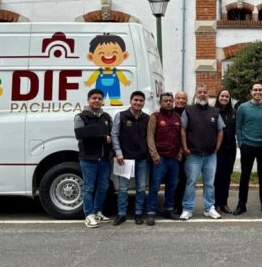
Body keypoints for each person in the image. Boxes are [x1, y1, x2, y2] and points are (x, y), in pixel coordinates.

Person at [179, 84, 224, 220]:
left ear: (208, 94)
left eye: (205, 92)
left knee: (209, 183)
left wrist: (217, 148)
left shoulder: (215, 111)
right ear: (196, 94)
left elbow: (220, 131)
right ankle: (187, 209)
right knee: (191, 182)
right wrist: (185, 147)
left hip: (210, 155)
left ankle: (209, 208)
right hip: (193, 154)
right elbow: (182, 130)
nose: (202, 94)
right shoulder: (188, 110)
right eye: (200, 92)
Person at [74, 88, 113, 228]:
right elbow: (80, 134)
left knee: (103, 187)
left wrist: (111, 151)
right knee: (89, 188)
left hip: (104, 159)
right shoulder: (81, 117)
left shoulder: (106, 117)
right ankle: (89, 215)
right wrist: (102, 136)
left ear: (103, 101)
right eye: (94, 98)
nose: (97, 100)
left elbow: (111, 136)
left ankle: (98, 212)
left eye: (99, 98)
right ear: (88, 100)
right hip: (88, 159)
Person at [233, 82, 262, 215]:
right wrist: (241, 142)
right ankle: (241, 204)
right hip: (247, 146)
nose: (257, 92)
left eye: (260, 90)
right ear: (250, 92)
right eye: (255, 90)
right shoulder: (243, 108)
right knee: (245, 176)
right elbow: (238, 126)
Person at [111, 90, 150, 226]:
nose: (138, 103)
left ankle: (138, 213)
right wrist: (118, 152)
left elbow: (150, 137)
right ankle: (121, 214)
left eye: (141, 101)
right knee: (123, 188)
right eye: (136, 100)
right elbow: (114, 135)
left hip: (142, 158)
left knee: (141, 188)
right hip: (124, 159)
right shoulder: (121, 116)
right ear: (131, 101)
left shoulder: (147, 118)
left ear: (144, 103)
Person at [146, 92, 182, 223]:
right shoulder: (155, 117)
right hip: (159, 158)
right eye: (165, 101)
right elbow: (150, 136)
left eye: (170, 101)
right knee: (155, 186)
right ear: (160, 102)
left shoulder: (177, 117)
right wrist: (154, 154)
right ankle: (151, 212)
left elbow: (180, 136)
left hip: (174, 158)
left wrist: (180, 152)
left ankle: (168, 210)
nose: (168, 103)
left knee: (172, 186)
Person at [213, 88, 237, 213]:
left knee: (227, 177)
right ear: (218, 97)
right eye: (222, 96)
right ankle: (216, 203)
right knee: (217, 176)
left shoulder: (233, 112)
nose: (224, 98)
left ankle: (224, 203)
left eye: (227, 96)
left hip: (231, 149)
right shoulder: (213, 111)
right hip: (218, 150)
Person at [172, 90, 189, 215]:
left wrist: (183, 150)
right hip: (172, 152)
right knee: (172, 180)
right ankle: (171, 204)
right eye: (178, 98)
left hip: (186, 152)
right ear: (174, 99)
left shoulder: (189, 113)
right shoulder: (170, 112)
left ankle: (180, 205)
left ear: (186, 101)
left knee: (183, 179)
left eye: (183, 98)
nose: (181, 100)